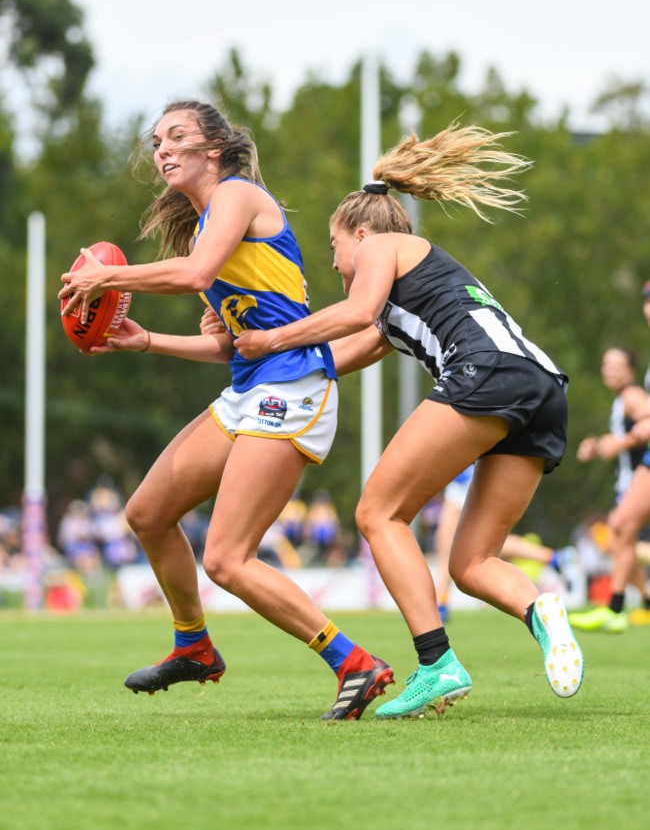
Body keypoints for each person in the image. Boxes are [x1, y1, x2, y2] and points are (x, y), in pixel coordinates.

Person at [234, 122, 584, 717]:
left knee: (376, 512)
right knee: (471, 562)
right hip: (541, 388)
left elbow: (356, 310)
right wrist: (239, 350)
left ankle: (437, 665)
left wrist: (271, 338)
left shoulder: (379, 249)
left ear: (361, 233)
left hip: (487, 373)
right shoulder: (403, 298)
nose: (338, 263)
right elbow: (331, 358)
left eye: (333, 248)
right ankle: (541, 609)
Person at [58, 99, 393, 720]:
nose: (162, 149)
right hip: (251, 387)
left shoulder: (236, 195)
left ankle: (355, 663)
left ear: (213, 149)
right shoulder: (207, 222)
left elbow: (195, 272)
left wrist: (109, 281)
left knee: (226, 558)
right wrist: (147, 340)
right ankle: (195, 646)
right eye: (156, 140)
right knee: (148, 513)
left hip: (291, 386)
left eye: (177, 136)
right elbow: (228, 343)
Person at [570, 321, 650, 631]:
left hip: (637, 479)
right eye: (606, 365)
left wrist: (620, 442)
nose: (610, 371)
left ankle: (616, 609)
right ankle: (635, 603)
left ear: (630, 370)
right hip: (632, 478)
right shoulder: (621, 398)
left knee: (619, 530)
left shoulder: (632, 396)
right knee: (620, 534)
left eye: (617, 365)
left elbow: (645, 421)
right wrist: (601, 444)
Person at [435, 465, 578, 622]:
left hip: (475, 470)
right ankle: (441, 600)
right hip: (458, 476)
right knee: (446, 539)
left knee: (481, 542)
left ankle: (551, 557)